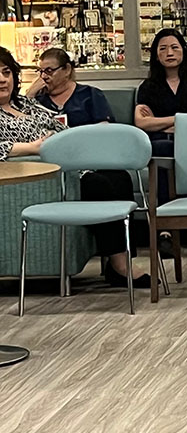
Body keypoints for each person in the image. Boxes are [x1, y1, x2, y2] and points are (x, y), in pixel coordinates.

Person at [0, 48, 149, 288]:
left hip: (69, 166)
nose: (2, 79)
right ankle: (121, 266)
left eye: (6, 72)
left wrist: (64, 144)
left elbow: (60, 128)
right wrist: (31, 148)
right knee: (99, 186)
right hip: (42, 174)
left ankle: (119, 261)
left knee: (119, 177)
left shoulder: (25, 104)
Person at [135, 29, 187, 256]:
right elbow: (141, 123)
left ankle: (171, 227)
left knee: (168, 149)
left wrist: (160, 122)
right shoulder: (147, 87)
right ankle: (166, 231)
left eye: (175, 47)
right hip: (160, 144)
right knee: (162, 149)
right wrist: (179, 120)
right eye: (163, 49)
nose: (169, 53)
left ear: (184, 51)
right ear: (156, 55)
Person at [26, 47, 113, 126]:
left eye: (49, 71)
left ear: (67, 69)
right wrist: (29, 96)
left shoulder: (91, 95)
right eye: (41, 71)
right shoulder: (37, 99)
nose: (43, 76)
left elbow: (104, 130)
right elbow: (23, 128)